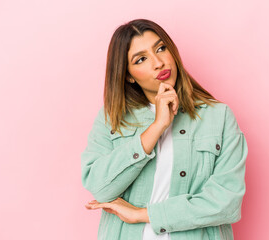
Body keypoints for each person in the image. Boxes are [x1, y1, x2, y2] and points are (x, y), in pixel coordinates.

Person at [81, 18, 248, 240]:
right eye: (141, 59)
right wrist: (158, 126)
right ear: (128, 75)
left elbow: (226, 202)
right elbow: (101, 189)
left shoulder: (218, 117)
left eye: (161, 48)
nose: (158, 63)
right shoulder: (111, 119)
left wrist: (143, 214)